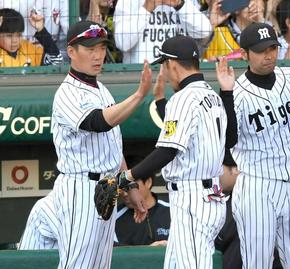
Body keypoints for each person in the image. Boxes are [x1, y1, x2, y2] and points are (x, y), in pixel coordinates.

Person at [117, 35, 228, 268]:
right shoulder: (212, 95)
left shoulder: (183, 98)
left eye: (164, 66)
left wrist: (128, 176)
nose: (164, 74)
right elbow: (183, 131)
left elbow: (167, 150)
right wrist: (159, 101)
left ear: (172, 64)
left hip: (192, 199)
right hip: (206, 195)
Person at [216, 22, 290, 269]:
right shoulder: (236, 92)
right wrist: (226, 93)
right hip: (256, 187)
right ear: (244, 54)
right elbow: (227, 141)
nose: (269, 55)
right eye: (261, 50)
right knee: (257, 263)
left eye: (272, 47)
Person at [49, 20, 150, 268]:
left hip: (108, 187)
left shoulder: (101, 89)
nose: (98, 55)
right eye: (90, 48)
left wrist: (130, 185)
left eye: (102, 48)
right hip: (80, 189)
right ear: (71, 52)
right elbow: (98, 122)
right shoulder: (67, 92)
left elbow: (112, 145)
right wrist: (138, 96)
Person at [114, 0, 212, 64]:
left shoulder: (187, 1)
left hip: (178, 73)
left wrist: (180, 5)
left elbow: (204, 31)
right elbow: (122, 43)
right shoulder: (127, 2)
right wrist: (147, 9)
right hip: (142, 74)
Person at [115, 155, 170, 246]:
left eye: (131, 186)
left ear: (148, 182)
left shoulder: (173, 209)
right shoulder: (114, 217)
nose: (124, 193)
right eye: (121, 187)